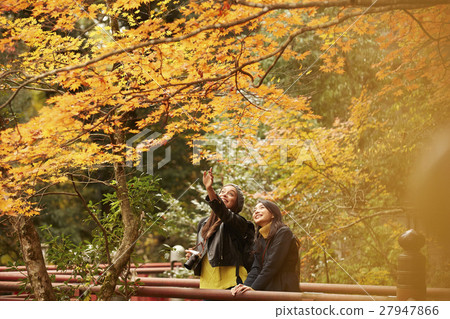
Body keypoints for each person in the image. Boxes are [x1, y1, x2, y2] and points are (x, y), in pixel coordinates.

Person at [186, 168, 252, 289]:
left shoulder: (239, 222)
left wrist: (209, 189)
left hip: (232, 283)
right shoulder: (203, 223)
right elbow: (208, 254)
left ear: (237, 203)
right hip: (207, 285)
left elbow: (225, 214)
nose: (224, 194)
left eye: (231, 194)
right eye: (222, 192)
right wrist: (195, 256)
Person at [231, 199, 300, 295]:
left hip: (283, 289)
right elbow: (256, 267)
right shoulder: (261, 237)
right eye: (255, 210)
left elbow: (272, 265)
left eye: (262, 208)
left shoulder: (283, 232)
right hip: (267, 287)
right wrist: (244, 286)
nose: (256, 211)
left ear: (273, 215)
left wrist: (254, 288)